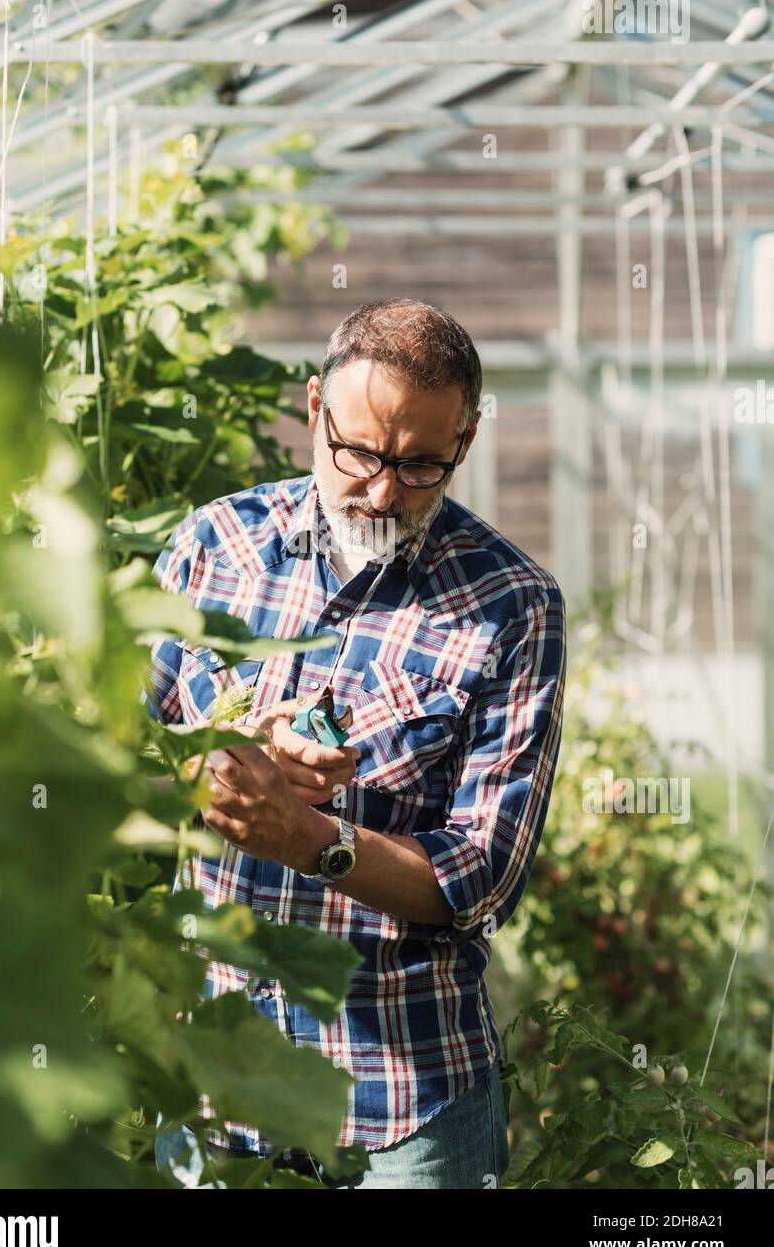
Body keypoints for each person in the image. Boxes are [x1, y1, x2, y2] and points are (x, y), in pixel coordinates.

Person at [147, 297, 566, 1189]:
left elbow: (480, 875)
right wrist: (225, 751)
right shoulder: (215, 545)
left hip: (403, 1098)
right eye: (359, 453)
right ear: (312, 409)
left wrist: (312, 842)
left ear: (467, 440)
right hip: (213, 1071)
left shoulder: (511, 603)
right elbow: (118, 755)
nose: (382, 491)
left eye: (421, 465)